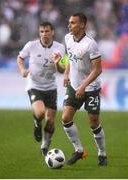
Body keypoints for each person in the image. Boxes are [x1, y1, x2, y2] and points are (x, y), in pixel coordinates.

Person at [56, 12, 107, 166]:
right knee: (65, 118)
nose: (69, 25)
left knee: (93, 123)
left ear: (82, 25)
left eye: (72, 23)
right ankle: (79, 150)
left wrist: (84, 86)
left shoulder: (90, 44)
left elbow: (98, 69)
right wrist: (66, 73)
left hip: (91, 87)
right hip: (74, 85)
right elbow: (70, 58)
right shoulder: (67, 38)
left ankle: (102, 154)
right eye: (69, 22)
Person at [17, 22, 65, 156]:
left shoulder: (60, 48)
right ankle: (37, 123)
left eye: (47, 31)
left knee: (50, 121)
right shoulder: (31, 45)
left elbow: (62, 70)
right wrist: (22, 70)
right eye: (42, 32)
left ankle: (46, 143)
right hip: (34, 85)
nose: (44, 34)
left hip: (50, 87)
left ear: (52, 32)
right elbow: (20, 58)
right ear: (39, 33)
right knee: (40, 112)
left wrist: (58, 64)